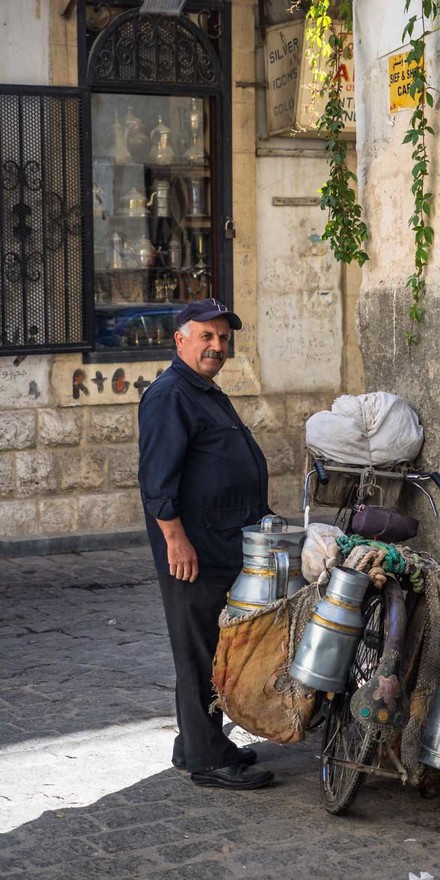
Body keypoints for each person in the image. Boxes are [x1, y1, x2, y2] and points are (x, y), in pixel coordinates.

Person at [138, 298, 274, 790]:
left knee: (215, 649)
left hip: (223, 544)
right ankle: (208, 761)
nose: (217, 346)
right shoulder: (170, 394)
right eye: (206, 337)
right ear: (180, 340)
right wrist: (176, 541)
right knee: (198, 656)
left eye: (222, 338)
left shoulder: (204, 390)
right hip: (194, 552)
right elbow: (156, 481)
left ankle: (194, 743)